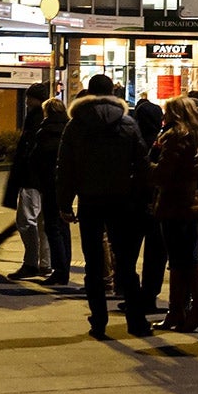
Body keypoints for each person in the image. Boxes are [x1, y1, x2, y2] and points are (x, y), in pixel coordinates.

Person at [57, 74, 151, 338]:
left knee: (94, 264)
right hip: (123, 201)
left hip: (90, 201)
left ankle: (99, 321)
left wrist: (64, 204)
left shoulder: (76, 125)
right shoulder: (128, 123)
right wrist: (143, 196)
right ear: (113, 92)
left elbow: (65, 169)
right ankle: (137, 321)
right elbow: (142, 164)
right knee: (126, 263)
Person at [151, 94, 198, 332]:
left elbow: (163, 173)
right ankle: (193, 309)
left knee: (179, 259)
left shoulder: (175, 137)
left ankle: (182, 310)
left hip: (175, 202)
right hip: (192, 200)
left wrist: (145, 167)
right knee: (190, 256)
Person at [2, 83, 51, 280]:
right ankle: (45, 263)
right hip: (44, 179)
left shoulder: (35, 118)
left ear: (34, 99)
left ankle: (31, 263)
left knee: (26, 220)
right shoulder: (47, 118)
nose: (26, 100)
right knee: (42, 223)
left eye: (29, 97)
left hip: (32, 178)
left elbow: (28, 151)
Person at [25, 94, 72, 286]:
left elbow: (36, 159)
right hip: (65, 184)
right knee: (63, 226)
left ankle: (59, 271)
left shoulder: (44, 131)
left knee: (52, 227)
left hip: (49, 183)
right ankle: (65, 268)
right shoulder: (69, 130)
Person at [130, 90, 166, 311]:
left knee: (129, 251)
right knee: (156, 253)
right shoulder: (162, 141)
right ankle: (149, 295)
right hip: (158, 204)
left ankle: (135, 294)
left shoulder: (136, 141)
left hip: (137, 202)